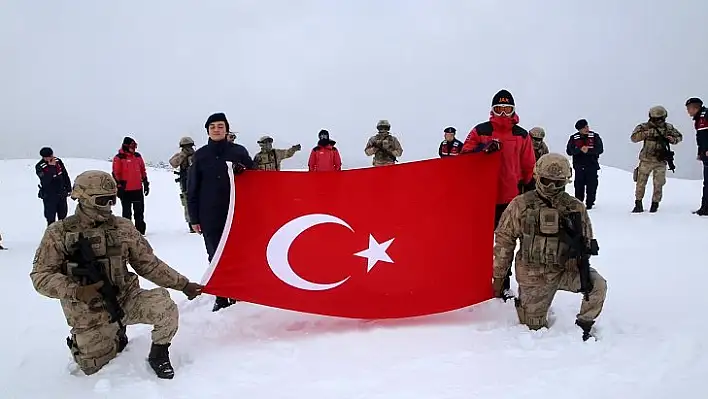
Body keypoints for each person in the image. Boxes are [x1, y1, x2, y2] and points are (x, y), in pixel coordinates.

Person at [29, 170, 203, 379]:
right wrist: (76, 291)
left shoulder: (123, 227)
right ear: (83, 199)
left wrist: (183, 285)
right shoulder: (59, 233)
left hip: (125, 299)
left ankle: (158, 354)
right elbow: (41, 275)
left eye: (113, 199)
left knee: (165, 307)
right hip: (89, 310)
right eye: (103, 200)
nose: (110, 206)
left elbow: (148, 264)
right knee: (92, 368)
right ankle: (100, 338)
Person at [493, 153, 607, 341]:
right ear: (537, 177)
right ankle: (526, 305)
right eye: (547, 181)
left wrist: (580, 251)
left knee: (598, 286)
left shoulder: (575, 207)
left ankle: (584, 325)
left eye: (558, 183)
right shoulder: (520, 205)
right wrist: (499, 277)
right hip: (533, 275)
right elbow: (504, 242)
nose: (552, 187)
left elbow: (587, 240)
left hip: (564, 270)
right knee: (533, 328)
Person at [461, 89, 536, 293]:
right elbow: (464, 155)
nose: (503, 114)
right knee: (479, 242)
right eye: (499, 109)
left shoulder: (522, 135)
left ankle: (501, 284)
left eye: (507, 109)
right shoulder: (480, 131)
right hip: (484, 197)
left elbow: (529, 166)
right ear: (493, 110)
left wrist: (530, 191)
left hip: (511, 199)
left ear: (513, 111)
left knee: (505, 244)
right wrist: (482, 150)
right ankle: (476, 281)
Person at [187, 112, 255, 312]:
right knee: (215, 254)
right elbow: (192, 188)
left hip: (236, 213)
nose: (217, 129)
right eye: (213, 126)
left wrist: (244, 171)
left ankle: (238, 292)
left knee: (238, 253)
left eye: (220, 126)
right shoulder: (200, 155)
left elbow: (255, 178)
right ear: (208, 130)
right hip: (209, 214)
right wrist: (194, 218)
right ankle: (222, 295)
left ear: (226, 129)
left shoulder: (239, 151)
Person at [630, 106, 683, 213]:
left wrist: (673, 139)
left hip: (661, 160)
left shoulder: (668, 128)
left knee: (659, 183)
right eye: (656, 119)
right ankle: (638, 203)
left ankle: (655, 204)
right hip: (646, 159)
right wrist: (647, 133)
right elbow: (634, 138)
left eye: (660, 119)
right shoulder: (644, 127)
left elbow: (679, 137)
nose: (658, 121)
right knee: (640, 183)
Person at [112, 137, 149, 235]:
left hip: (137, 189)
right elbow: (116, 173)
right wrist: (119, 187)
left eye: (135, 146)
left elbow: (142, 170)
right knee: (127, 213)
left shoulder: (137, 156)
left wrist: (145, 182)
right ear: (126, 146)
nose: (134, 148)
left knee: (139, 211)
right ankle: (127, 231)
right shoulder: (119, 158)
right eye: (132, 146)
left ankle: (140, 231)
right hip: (125, 190)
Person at [565, 119, 604, 209]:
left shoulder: (595, 136)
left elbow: (600, 149)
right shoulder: (573, 138)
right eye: (584, 128)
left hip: (592, 166)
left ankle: (590, 203)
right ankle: (579, 203)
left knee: (592, 185)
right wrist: (579, 149)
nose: (586, 129)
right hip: (579, 167)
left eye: (587, 126)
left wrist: (589, 150)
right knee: (579, 186)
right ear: (579, 129)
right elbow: (569, 151)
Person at [35, 147, 72, 226]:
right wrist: (51, 167)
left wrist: (69, 188)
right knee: (51, 218)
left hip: (61, 193)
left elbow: (64, 175)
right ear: (44, 157)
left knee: (63, 217)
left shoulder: (58, 161)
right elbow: (45, 181)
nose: (51, 158)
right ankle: (52, 235)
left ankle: (62, 235)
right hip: (49, 196)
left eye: (52, 155)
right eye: (49, 156)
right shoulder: (39, 166)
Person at [686, 97, 708, 216]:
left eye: (689, 109)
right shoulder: (699, 119)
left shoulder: (706, 116)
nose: (688, 111)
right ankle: (705, 208)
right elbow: (701, 138)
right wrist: (700, 152)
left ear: (695, 107)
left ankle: (705, 209)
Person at [169, 136, 196, 232]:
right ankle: (191, 223)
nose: (188, 148)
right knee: (187, 202)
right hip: (185, 182)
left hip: (197, 181)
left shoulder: (196, 155)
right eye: (185, 147)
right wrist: (182, 155)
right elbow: (173, 163)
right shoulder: (180, 156)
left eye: (189, 146)